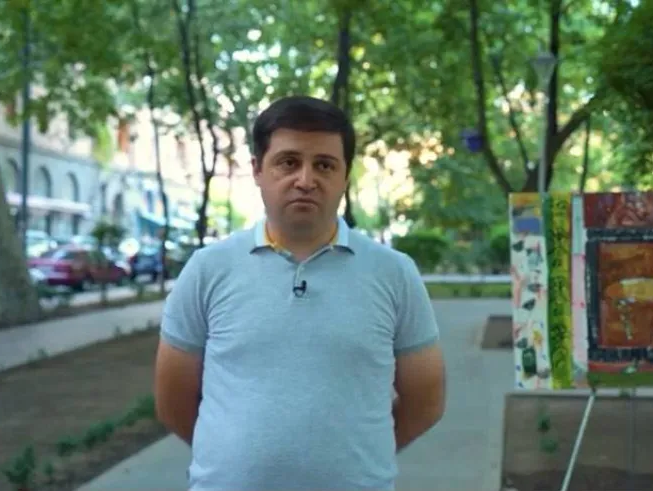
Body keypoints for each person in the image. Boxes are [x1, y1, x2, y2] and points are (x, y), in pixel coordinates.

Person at [154, 95, 446, 491]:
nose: (306, 180)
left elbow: (426, 400)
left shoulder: (394, 274)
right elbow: (172, 401)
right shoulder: (207, 270)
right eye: (288, 162)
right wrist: (228, 457)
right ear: (258, 170)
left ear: (345, 176)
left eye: (324, 165)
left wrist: (362, 456)